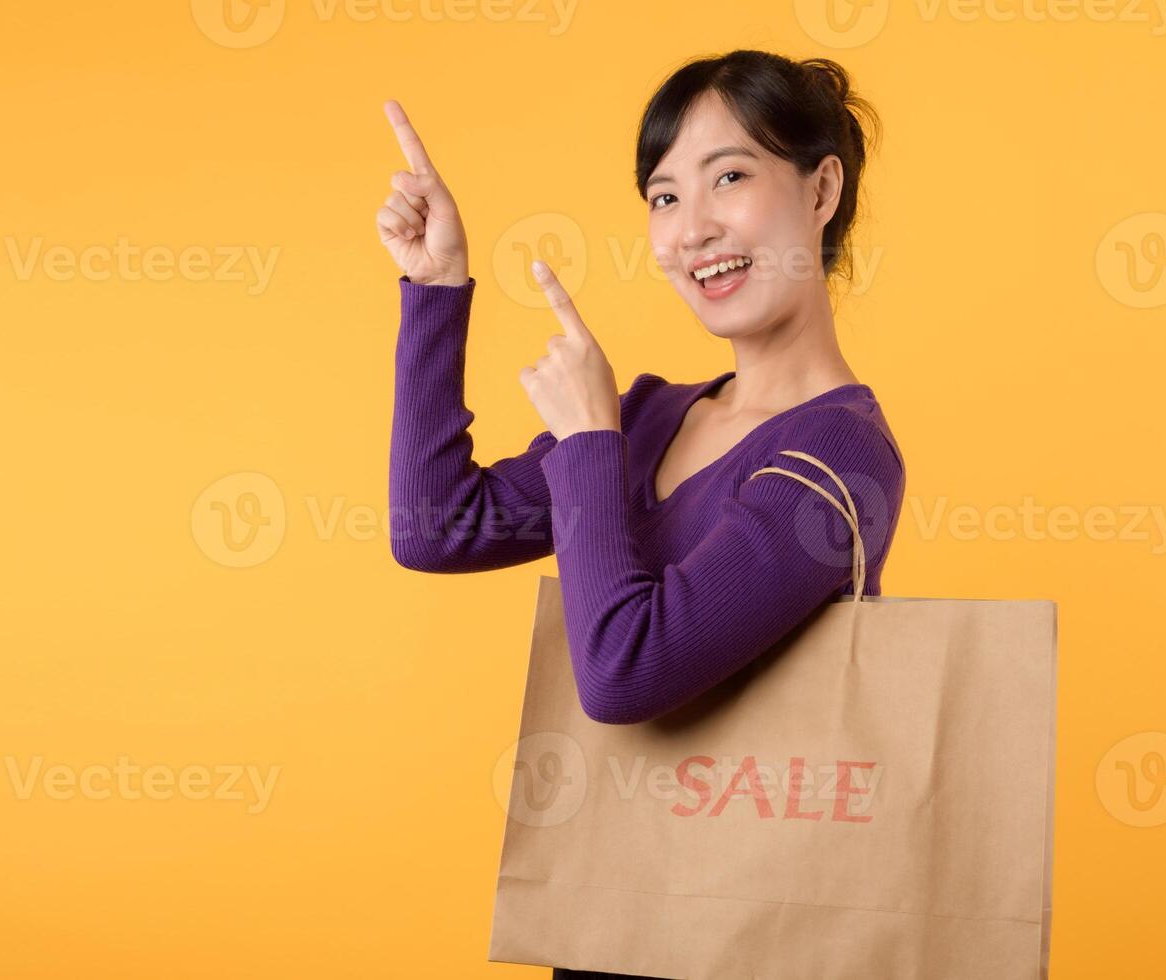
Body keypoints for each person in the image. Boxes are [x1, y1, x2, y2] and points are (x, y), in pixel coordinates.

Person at [379, 50, 906, 979]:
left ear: (821, 188)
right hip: (619, 925)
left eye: (729, 178)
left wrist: (587, 442)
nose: (690, 229)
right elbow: (432, 526)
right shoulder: (652, 416)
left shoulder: (842, 456)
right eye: (663, 198)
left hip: (763, 940)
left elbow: (625, 676)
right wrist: (434, 290)